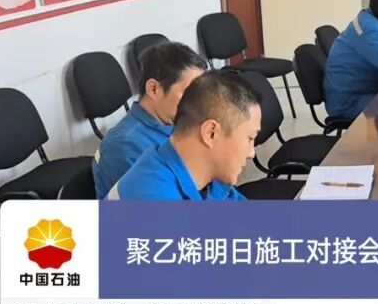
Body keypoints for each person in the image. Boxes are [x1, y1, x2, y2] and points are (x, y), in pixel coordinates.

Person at [108, 71, 259, 200]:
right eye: (250, 139)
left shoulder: (207, 171)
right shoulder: (153, 199)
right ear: (211, 133)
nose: (251, 153)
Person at [92, 42, 207, 197]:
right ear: (153, 89)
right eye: (189, 93)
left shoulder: (174, 123)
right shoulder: (124, 146)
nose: (198, 102)